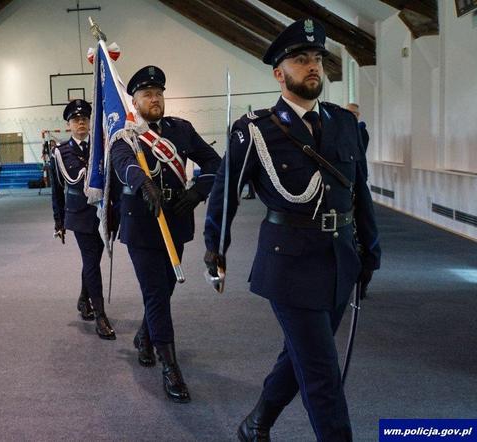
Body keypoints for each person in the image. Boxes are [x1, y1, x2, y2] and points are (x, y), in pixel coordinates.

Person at [203, 19, 381, 442]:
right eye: (301, 59)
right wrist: (216, 249)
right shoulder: (255, 131)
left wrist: (370, 251)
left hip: (340, 260)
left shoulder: (344, 124)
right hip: (289, 265)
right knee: (322, 372)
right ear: (279, 73)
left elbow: (360, 192)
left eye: (317, 58)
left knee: (298, 356)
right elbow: (224, 194)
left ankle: (256, 422)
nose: (313, 65)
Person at [110, 66, 221, 403]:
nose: (154, 99)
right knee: (157, 292)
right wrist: (143, 183)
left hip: (175, 219)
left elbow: (215, 162)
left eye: (158, 93)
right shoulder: (126, 134)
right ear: (135, 100)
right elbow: (122, 163)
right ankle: (170, 367)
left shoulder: (181, 129)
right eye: (146, 94)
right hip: (143, 224)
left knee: (166, 288)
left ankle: (145, 337)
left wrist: (198, 192)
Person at [51, 99, 116, 340]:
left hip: (102, 214)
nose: (81, 123)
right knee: (91, 261)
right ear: (68, 125)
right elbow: (57, 190)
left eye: (85, 119)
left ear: (90, 122)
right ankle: (100, 315)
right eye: (76, 120)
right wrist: (59, 222)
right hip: (79, 216)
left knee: (93, 261)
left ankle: (82, 299)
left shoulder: (102, 148)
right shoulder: (60, 152)